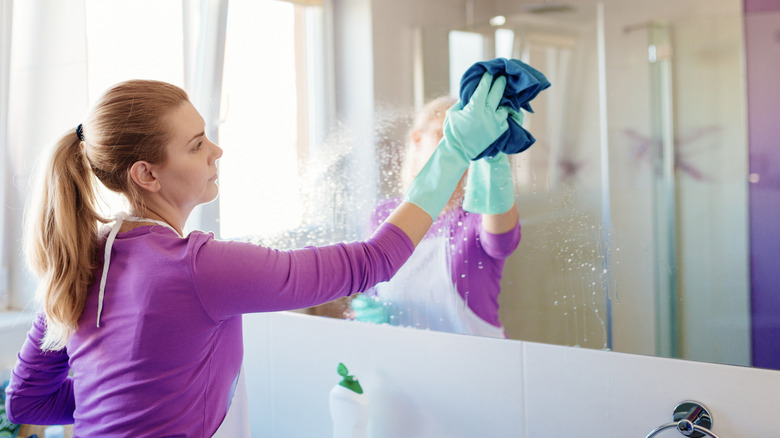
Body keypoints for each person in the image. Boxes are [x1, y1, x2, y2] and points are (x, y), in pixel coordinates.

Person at [5, 74, 510, 436]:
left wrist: (131, 396)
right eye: (197, 144)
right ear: (146, 174)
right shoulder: (199, 267)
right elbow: (370, 262)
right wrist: (453, 153)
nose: (216, 152)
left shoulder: (85, 260)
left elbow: (29, 400)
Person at [352, 96, 521, 338]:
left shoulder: (477, 213)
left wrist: (493, 158)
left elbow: (502, 242)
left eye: (464, 140)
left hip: (477, 364)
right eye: (445, 136)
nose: (455, 149)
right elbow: (373, 292)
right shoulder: (381, 216)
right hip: (404, 362)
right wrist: (367, 314)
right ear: (417, 139)